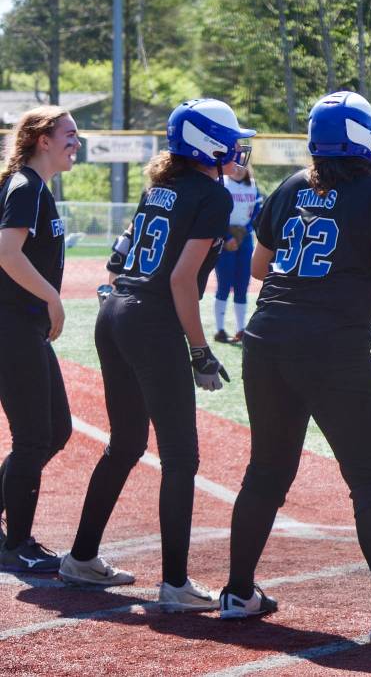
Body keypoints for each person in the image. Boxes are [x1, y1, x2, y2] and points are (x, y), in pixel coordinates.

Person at [216, 91, 371, 641]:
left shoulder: (294, 185)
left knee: (266, 472)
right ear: (365, 139)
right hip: (333, 350)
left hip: (267, 338)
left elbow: (257, 266)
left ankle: (237, 591)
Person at [58, 100, 246, 610]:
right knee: (181, 456)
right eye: (230, 138)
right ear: (208, 144)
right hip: (152, 318)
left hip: (115, 311)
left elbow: (122, 261)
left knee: (125, 444)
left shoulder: (161, 186)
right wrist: (201, 350)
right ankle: (176, 584)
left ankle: (82, 556)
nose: (237, 147)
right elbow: (183, 280)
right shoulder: (210, 194)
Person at [0, 106, 79, 571]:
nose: (76, 142)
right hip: (12, 325)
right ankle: (18, 545)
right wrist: (53, 298)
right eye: (69, 134)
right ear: (42, 140)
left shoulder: (33, 187)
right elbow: (6, 253)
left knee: (57, 430)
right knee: (33, 437)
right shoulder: (25, 186)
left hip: (23, 327)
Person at [213, 161, 261, 343]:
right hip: (225, 237)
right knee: (224, 285)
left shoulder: (253, 186)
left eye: (243, 166)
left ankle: (241, 329)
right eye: (236, 165)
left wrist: (246, 230)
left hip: (244, 238)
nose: (240, 169)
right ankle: (220, 330)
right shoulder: (222, 183)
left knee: (242, 285)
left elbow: (257, 213)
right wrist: (227, 236)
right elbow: (216, 213)